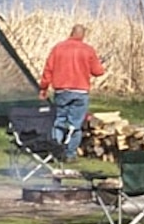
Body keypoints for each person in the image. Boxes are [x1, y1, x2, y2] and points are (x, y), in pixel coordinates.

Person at [38, 24, 106, 162]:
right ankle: (70, 154)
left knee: (59, 121)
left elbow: (48, 69)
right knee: (75, 124)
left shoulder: (58, 48)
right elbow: (98, 71)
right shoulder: (88, 50)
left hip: (61, 90)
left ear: (71, 33)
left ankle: (56, 151)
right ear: (83, 35)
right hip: (80, 91)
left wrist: (43, 87)